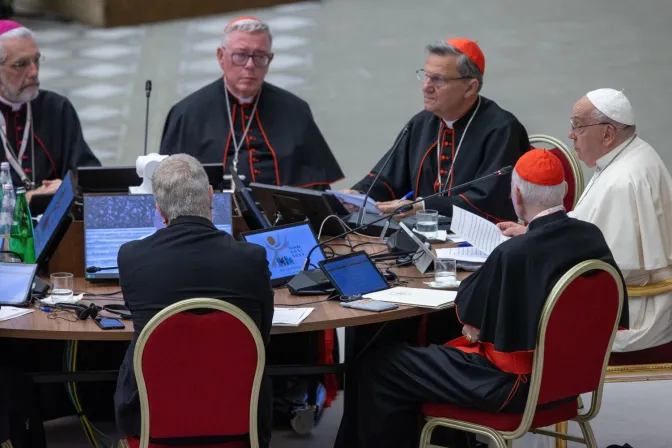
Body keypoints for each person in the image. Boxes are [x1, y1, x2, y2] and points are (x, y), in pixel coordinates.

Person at [334, 149, 629, 448]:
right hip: (569, 384)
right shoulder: (592, 236)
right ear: (565, 190)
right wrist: (528, 234)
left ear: (516, 194)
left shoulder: (512, 254)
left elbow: (471, 328)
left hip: (512, 388)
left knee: (382, 366)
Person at [113, 154, 274, 447]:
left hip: (153, 422)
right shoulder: (252, 257)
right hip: (240, 419)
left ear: (159, 209)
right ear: (211, 196)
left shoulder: (131, 257)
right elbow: (260, 336)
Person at [498, 89, 672, 353]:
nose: (570, 134)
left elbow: (589, 262)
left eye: (578, 126)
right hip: (629, 298)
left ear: (607, 134)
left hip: (634, 314)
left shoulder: (624, 181)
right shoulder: (628, 156)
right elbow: (584, 233)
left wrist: (533, 245)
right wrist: (532, 233)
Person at [342, 38, 529, 222]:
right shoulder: (421, 123)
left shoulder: (502, 129)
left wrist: (423, 206)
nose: (425, 87)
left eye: (438, 80)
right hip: (420, 236)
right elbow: (389, 179)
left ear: (470, 88)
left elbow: (489, 201)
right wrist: (358, 195)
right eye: (425, 75)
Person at [160, 16, 343, 190]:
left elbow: (316, 187)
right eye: (240, 55)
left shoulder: (295, 110)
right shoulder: (187, 113)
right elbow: (168, 190)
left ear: (270, 60)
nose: (250, 65)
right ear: (220, 57)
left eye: (260, 57)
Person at [0, 20, 100, 200]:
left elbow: (88, 172)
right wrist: (23, 199)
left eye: (36, 60)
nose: (33, 72)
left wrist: (69, 187)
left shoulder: (56, 108)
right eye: (20, 64)